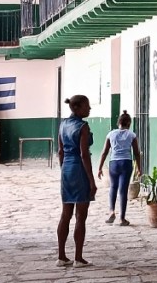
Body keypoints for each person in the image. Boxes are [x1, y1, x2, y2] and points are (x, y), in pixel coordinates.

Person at [56, 95, 97, 268]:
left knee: (66, 214)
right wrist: (91, 180)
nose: (89, 109)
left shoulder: (63, 124)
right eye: (87, 106)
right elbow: (84, 154)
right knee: (81, 215)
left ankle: (61, 256)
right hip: (79, 169)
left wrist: (64, 169)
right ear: (78, 108)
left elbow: (60, 152)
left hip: (66, 169)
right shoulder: (82, 126)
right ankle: (78, 258)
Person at [97, 110, 142, 226]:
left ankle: (111, 211)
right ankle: (122, 218)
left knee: (113, 187)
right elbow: (136, 153)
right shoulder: (132, 135)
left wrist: (100, 167)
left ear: (119, 123)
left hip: (114, 163)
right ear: (129, 123)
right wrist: (139, 168)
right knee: (123, 190)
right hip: (126, 163)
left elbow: (104, 152)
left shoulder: (111, 134)